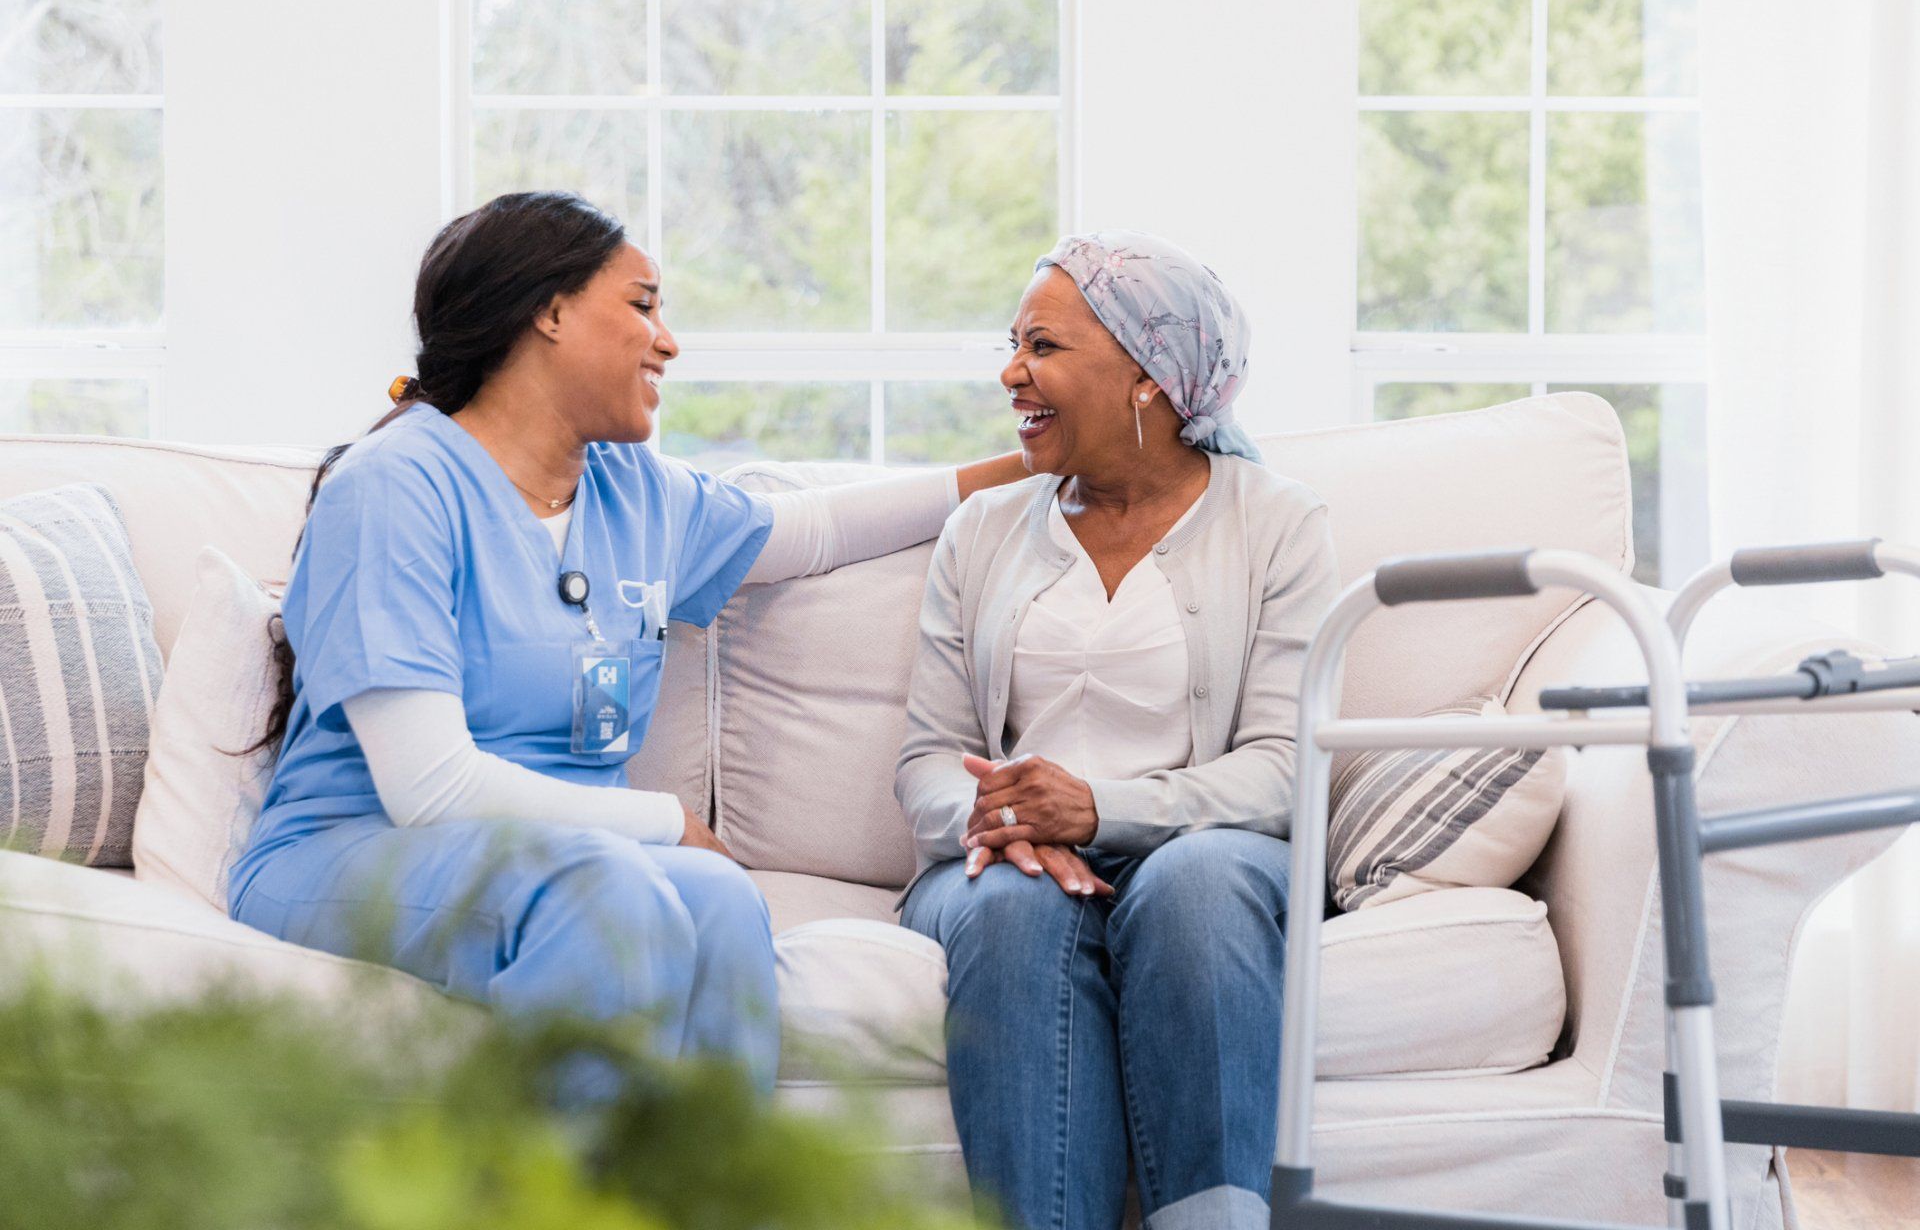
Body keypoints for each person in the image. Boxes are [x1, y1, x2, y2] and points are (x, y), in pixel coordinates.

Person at [227, 191, 1030, 1096]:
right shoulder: (395, 487)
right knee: (605, 890)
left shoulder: (629, 491)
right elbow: (428, 787)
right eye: (644, 304)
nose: (669, 340)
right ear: (551, 311)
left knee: (725, 901)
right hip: (354, 848)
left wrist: (1037, 464)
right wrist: (670, 823)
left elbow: (810, 533)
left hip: (574, 858)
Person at [895, 231, 1341, 1229]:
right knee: (1013, 902)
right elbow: (928, 756)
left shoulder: (1278, 523)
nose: (1012, 372)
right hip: (1007, 864)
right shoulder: (983, 532)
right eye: (1012, 344)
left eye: (1043, 346)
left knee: (1197, 881)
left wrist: (1101, 809)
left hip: (1207, 852)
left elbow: (1284, 770)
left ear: (1147, 375)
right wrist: (998, 817)